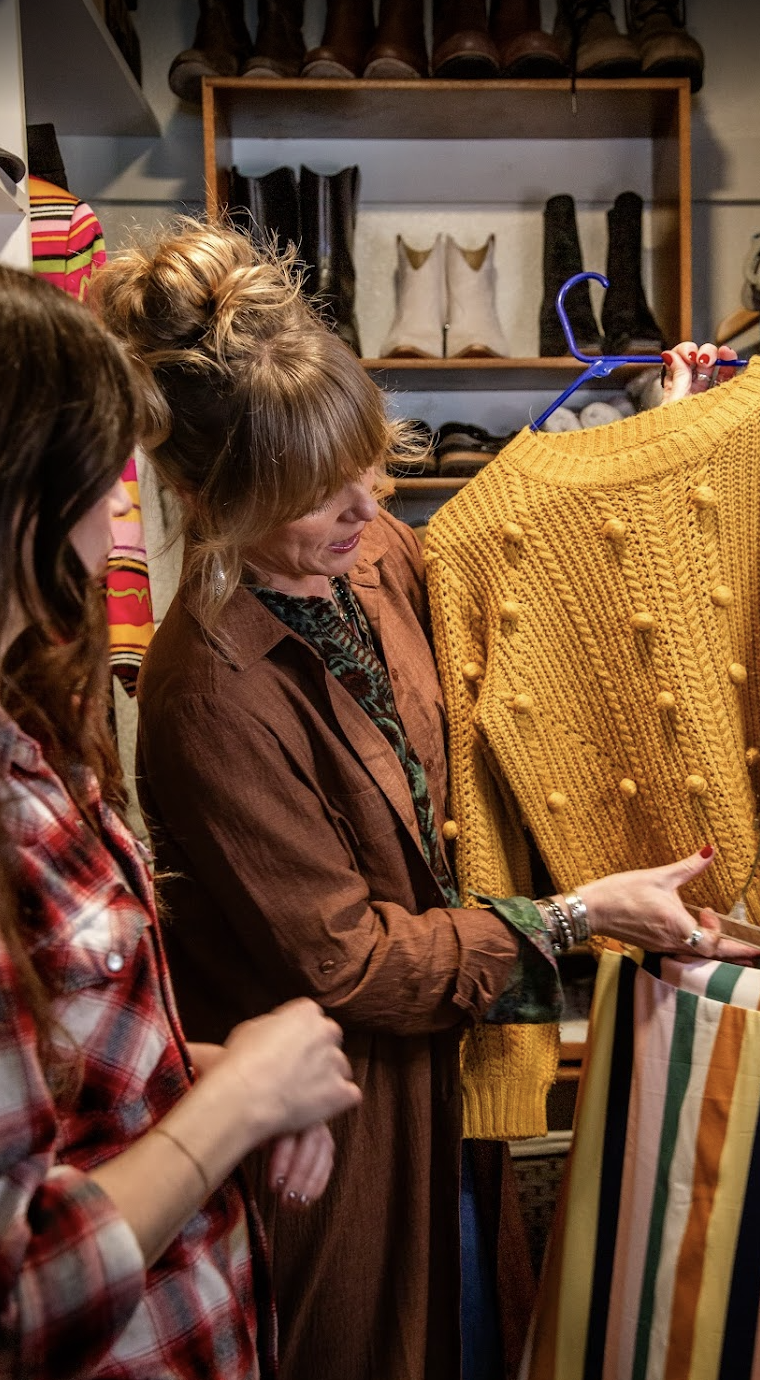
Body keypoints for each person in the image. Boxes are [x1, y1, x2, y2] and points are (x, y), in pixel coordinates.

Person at [92, 220, 756, 1380]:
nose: (372, 503)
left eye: (373, 459)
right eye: (322, 492)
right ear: (208, 494)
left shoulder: (367, 557)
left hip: (445, 1079)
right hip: (340, 1130)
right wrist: (573, 916)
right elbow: (346, 964)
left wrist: (658, 435)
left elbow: (523, 584)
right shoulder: (210, 691)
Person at [0, 264, 362, 1380]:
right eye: (96, 476)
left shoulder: (32, 729)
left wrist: (211, 1086)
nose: (121, 506)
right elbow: (17, 1305)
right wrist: (240, 1103)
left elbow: (68, 1080)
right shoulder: (204, 683)